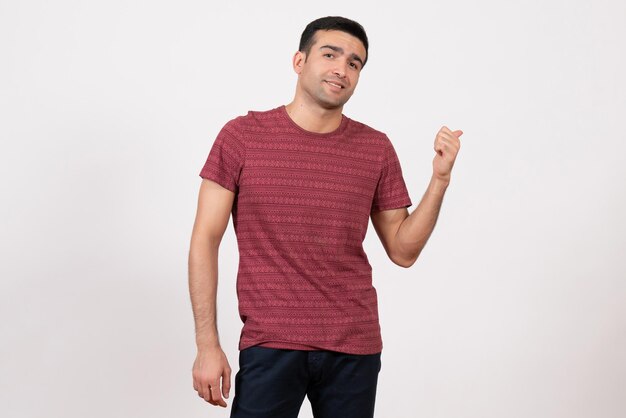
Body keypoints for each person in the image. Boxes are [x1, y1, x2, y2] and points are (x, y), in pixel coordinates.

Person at [188, 16, 463, 418]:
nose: (342, 68)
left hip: (354, 348)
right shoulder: (242, 137)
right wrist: (207, 344)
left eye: (354, 63)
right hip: (272, 342)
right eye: (330, 54)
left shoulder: (375, 148)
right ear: (299, 61)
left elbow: (403, 250)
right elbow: (204, 240)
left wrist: (439, 180)